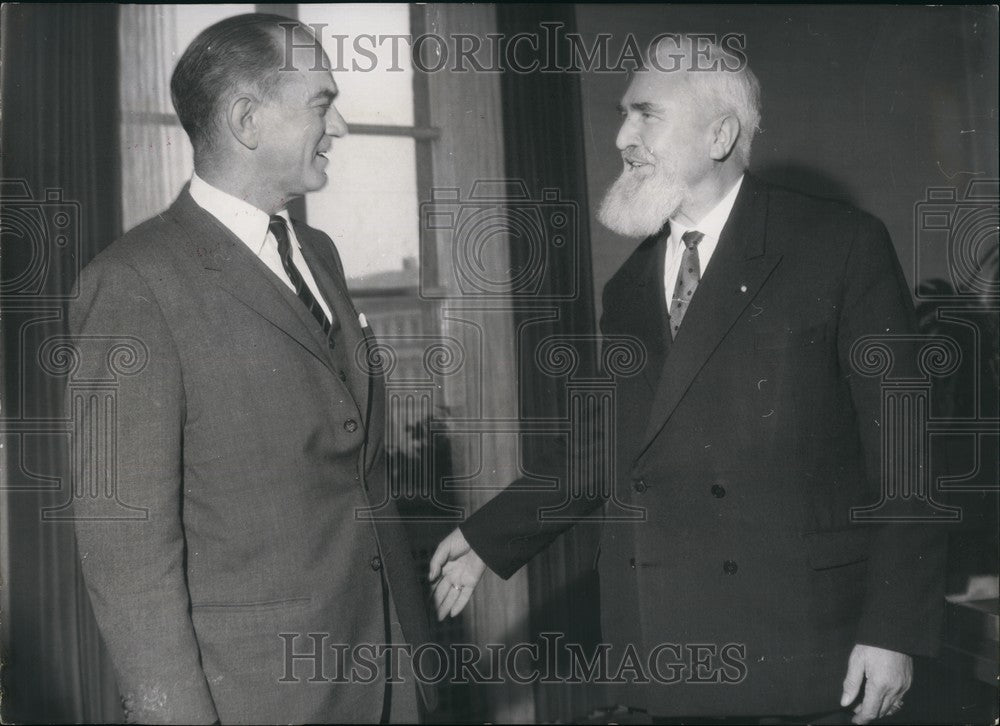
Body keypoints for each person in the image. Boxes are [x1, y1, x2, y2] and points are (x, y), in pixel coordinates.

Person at [430, 36, 945, 724]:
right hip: (672, 644)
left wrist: (893, 631)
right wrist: (489, 537)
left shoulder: (838, 244)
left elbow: (905, 460)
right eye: (623, 115)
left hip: (808, 646)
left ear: (720, 134)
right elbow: (605, 448)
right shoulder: (630, 286)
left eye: (646, 115)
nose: (622, 137)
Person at [71, 14, 433, 724]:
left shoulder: (318, 252)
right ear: (246, 118)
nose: (340, 130)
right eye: (322, 105)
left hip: (385, 676)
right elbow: (126, 554)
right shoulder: (134, 284)